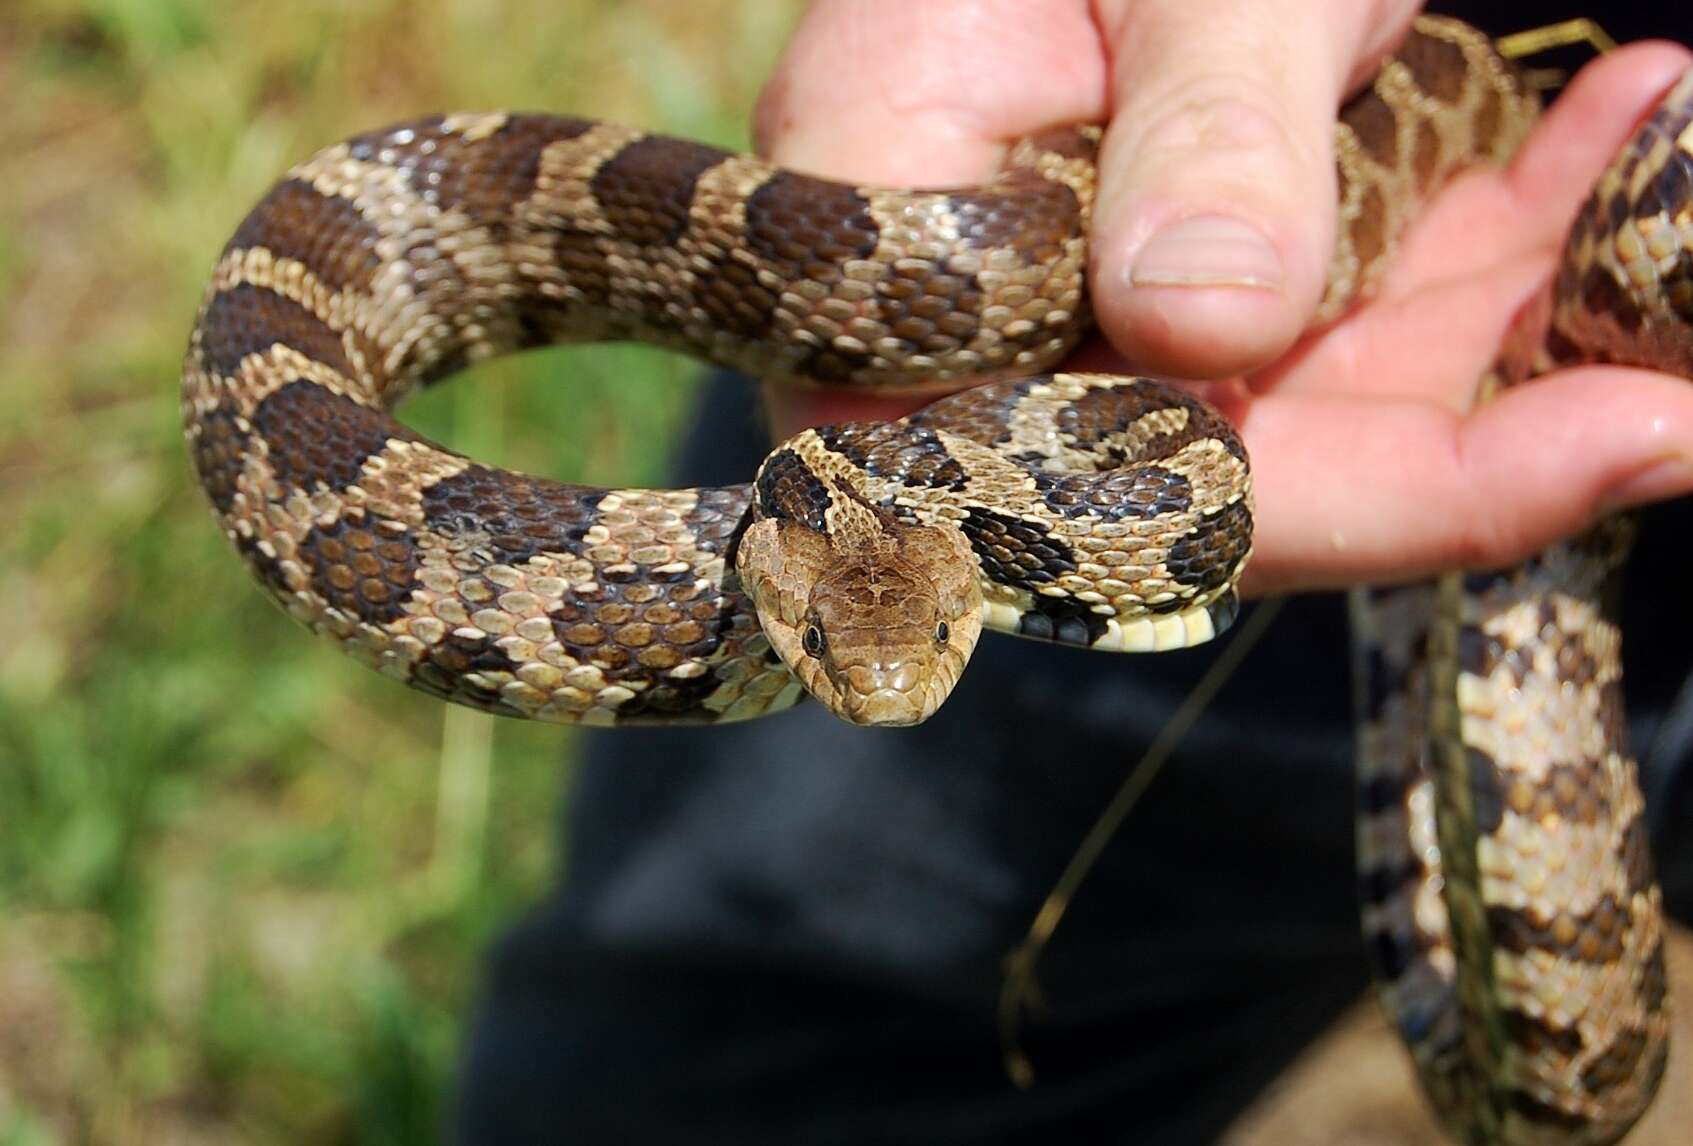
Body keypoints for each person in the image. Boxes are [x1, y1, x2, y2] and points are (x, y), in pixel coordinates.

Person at [455, 3, 1693, 1143]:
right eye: (829, 648)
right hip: (1349, 350)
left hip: (1456, 336)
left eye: (941, 638)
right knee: (743, 1059)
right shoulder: (861, 499)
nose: (893, 694)